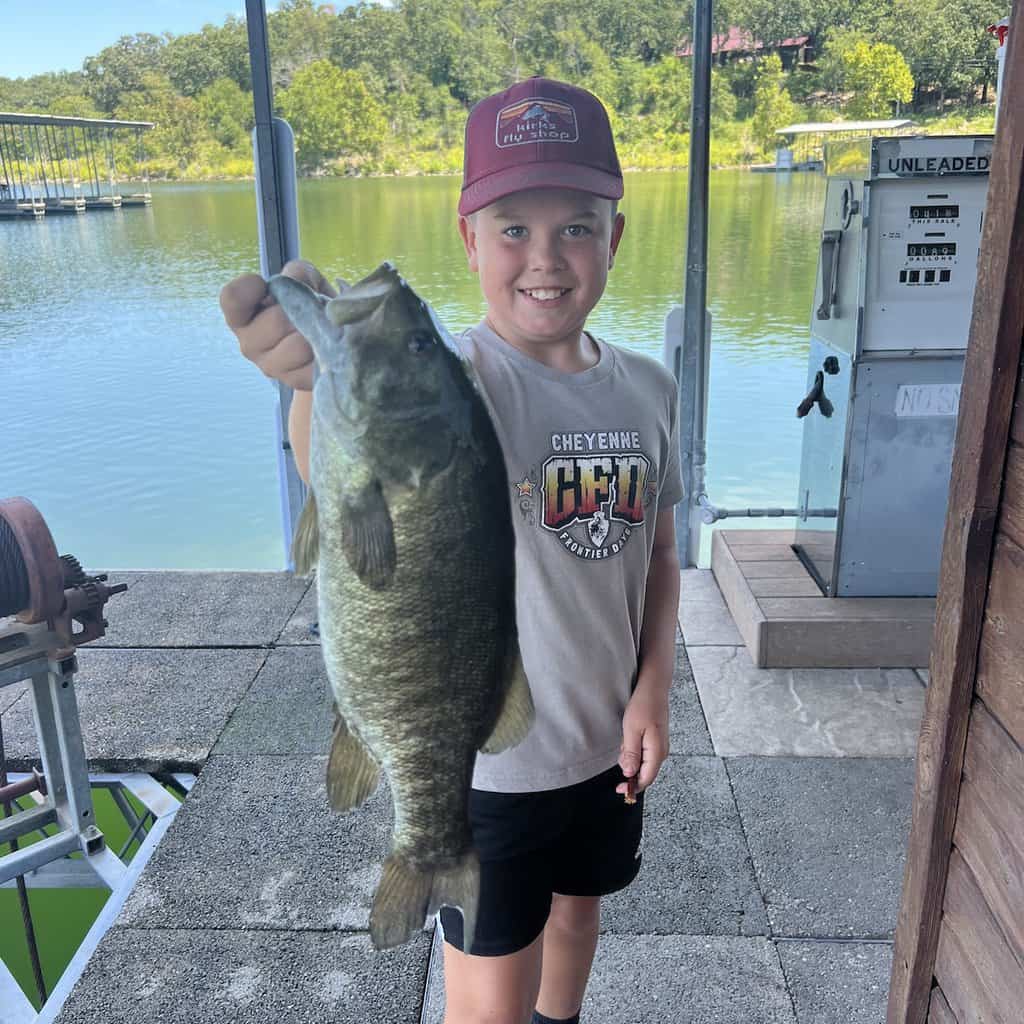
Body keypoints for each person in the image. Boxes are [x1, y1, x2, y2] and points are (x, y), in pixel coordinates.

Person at [220, 77, 682, 1024]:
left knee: (577, 921)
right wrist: (313, 377)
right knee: (488, 984)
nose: (545, 258)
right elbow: (346, 469)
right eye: (512, 228)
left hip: (606, 750)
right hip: (487, 768)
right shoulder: (462, 380)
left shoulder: (648, 388)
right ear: (469, 238)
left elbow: (660, 549)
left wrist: (654, 687)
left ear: (616, 236)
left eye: (577, 227)